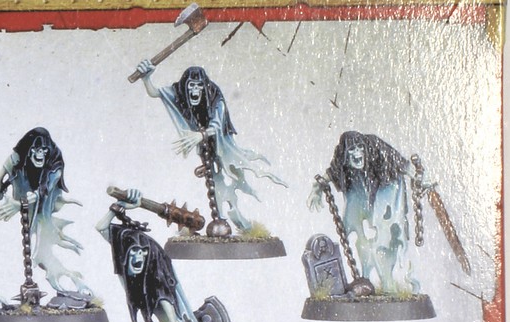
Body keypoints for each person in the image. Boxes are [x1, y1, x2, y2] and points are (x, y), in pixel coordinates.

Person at [136, 62, 285, 234]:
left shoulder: (216, 98)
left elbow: (216, 125)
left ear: (204, 87)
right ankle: (224, 219)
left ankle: (238, 223)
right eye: (191, 85)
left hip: (222, 145)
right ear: (185, 86)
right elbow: (155, 92)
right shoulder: (179, 92)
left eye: (199, 86)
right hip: (204, 147)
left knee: (230, 178)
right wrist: (146, 78)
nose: (195, 90)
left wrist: (201, 135)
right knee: (215, 182)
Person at [97, 198, 225, 322]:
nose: (138, 258)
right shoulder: (123, 240)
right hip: (146, 290)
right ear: (126, 253)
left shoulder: (158, 274)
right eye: (134, 252)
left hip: (160, 290)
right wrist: (117, 206)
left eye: (142, 253)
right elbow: (101, 227)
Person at [0, 127, 94, 302]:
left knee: (42, 243)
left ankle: (70, 282)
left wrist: (18, 205)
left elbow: (40, 193)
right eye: (36, 149)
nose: (40, 154)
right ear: (28, 150)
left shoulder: (55, 165)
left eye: (44, 150)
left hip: (43, 204)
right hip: (23, 190)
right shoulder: (16, 157)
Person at [310, 131, 422, 294]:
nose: (357, 153)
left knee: (384, 236)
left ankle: (387, 283)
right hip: (362, 192)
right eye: (352, 149)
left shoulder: (376, 147)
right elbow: (331, 172)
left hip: (387, 187)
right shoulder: (342, 161)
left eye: (359, 148)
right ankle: (367, 276)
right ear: (345, 154)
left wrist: (417, 178)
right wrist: (317, 189)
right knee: (359, 233)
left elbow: (401, 163)